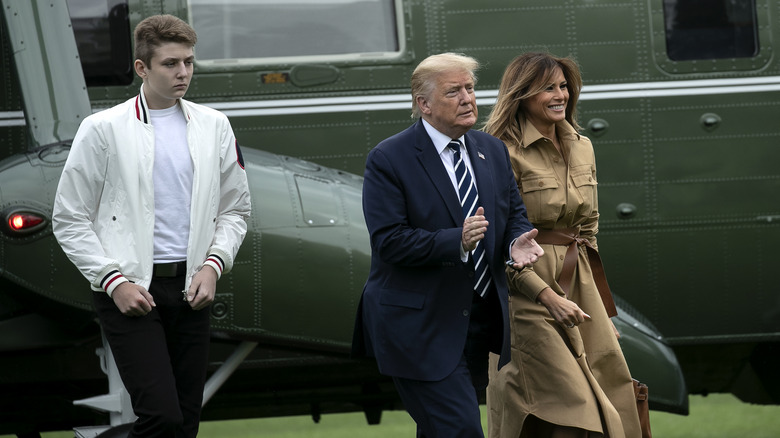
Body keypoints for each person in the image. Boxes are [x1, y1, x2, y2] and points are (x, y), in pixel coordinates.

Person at [52, 14, 251, 437]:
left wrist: (213, 267)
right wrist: (114, 282)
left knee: (186, 423)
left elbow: (236, 210)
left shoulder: (214, 125)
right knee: (162, 418)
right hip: (129, 291)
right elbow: (69, 218)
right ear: (142, 68)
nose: (183, 73)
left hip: (192, 290)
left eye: (189, 62)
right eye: (171, 63)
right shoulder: (102, 129)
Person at [351, 52, 544, 438]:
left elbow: (512, 215)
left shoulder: (492, 151)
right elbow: (389, 242)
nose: (468, 98)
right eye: (453, 91)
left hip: (474, 322)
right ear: (424, 104)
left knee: (443, 430)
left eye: (470, 88)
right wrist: (456, 239)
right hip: (417, 327)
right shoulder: (390, 158)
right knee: (459, 430)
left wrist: (514, 245)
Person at [482, 52, 642, 438]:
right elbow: (496, 243)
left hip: (581, 283)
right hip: (525, 291)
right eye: (547, 88)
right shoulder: (499, 150)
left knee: (608, 394)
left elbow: (588, 230)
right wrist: (544, 295)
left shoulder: (583, 145)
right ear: (521, 95)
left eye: (563, 86)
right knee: (567, 408)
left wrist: (601, 306)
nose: (560, 95)